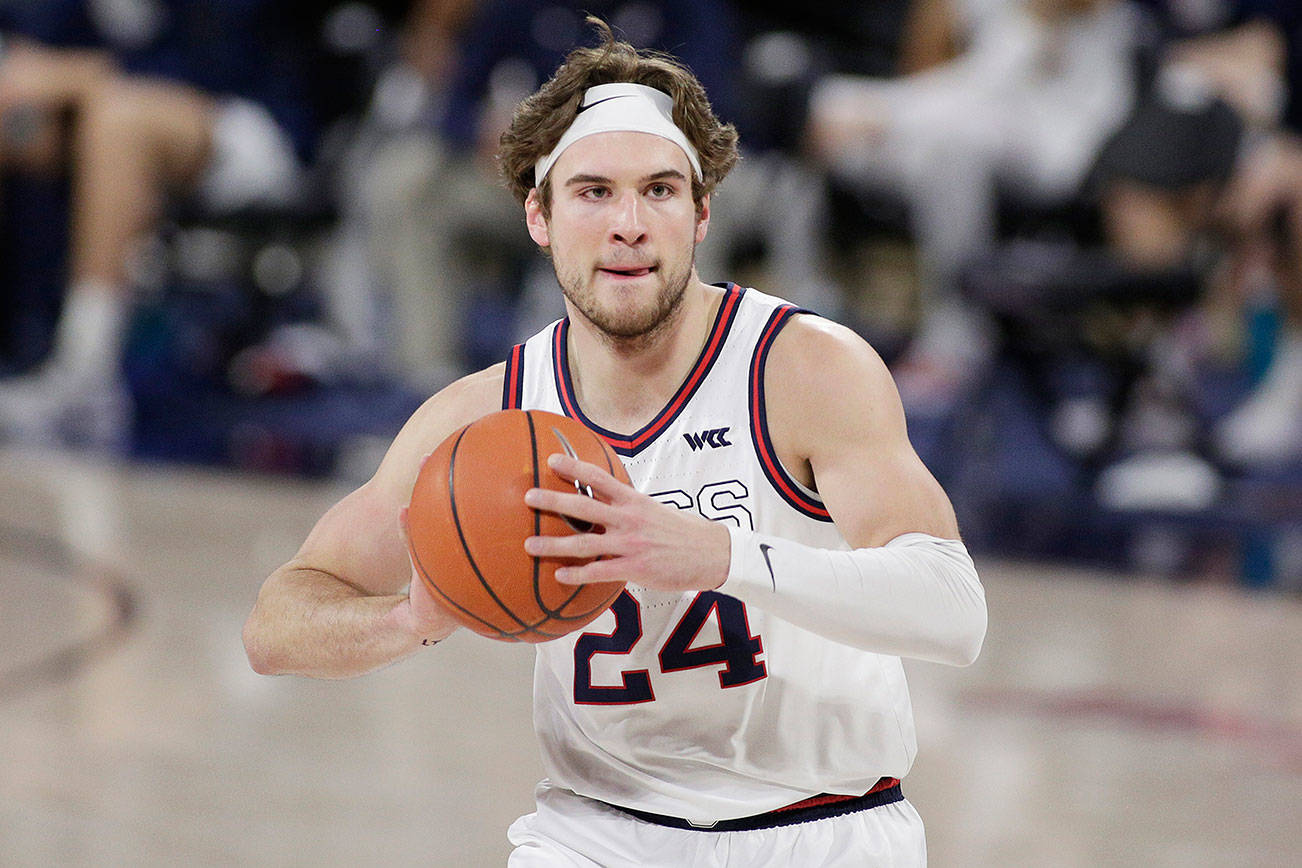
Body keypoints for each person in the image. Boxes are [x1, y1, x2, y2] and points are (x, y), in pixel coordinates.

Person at [243, 20, 987, 866]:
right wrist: (409, 618)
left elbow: (954, 612)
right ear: (540, 216)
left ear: (702, 213)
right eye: (594, 192)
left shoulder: (803, 370)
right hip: (596, 836)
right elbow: (277, 626)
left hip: (823, 830)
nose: (629, 224)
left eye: (660, 191)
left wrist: (719, 555)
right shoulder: (485, 418)